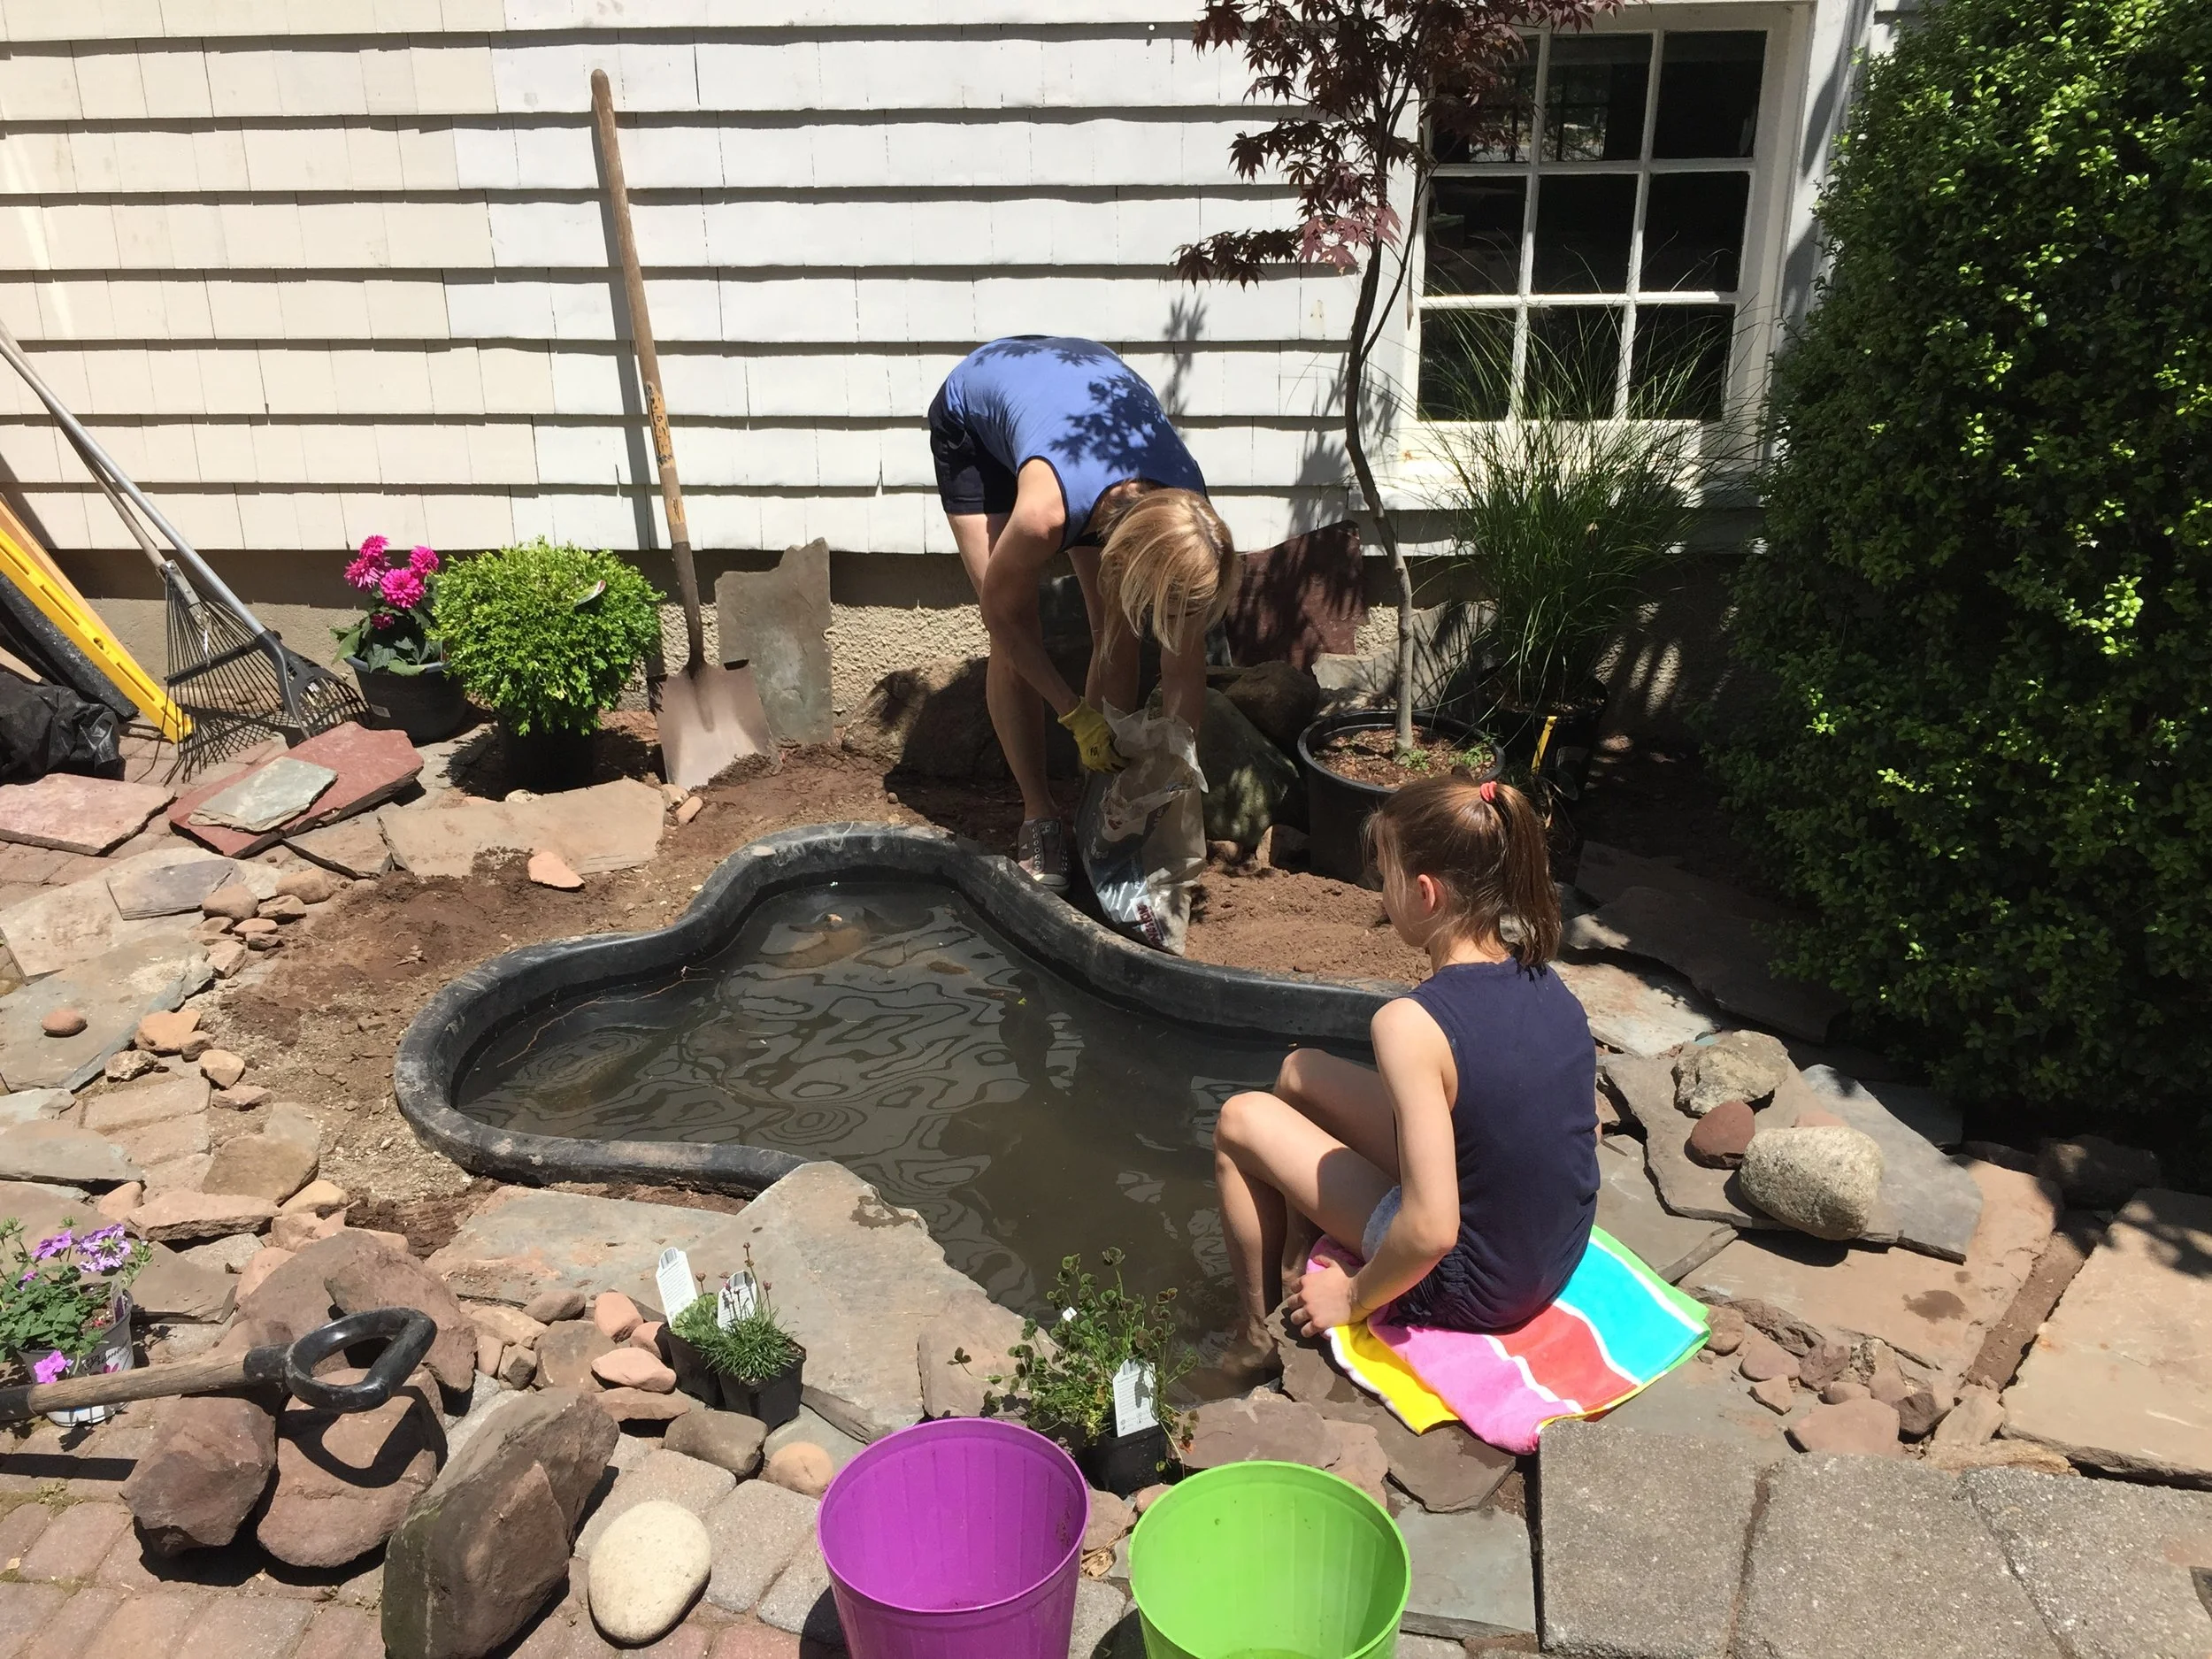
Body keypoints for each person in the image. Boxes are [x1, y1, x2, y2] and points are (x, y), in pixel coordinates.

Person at [1210, 772, 1598, 1372]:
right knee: (1299, 1072)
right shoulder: (1546, 982)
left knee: (1240, 1119)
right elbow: (1576, 1136)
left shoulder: (1411, 1024)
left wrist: (1354, 1296)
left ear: (1425, 893)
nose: (1379, 893)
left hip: (1472, 1284)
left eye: (1385, 876)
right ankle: (1294, 1264)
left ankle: (1255, 1339)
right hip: (1551, 1255)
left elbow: (1432, 1229)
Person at [929, 336, 1237, 890]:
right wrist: (1075, 714)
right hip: (975, 419)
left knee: (1112, 630)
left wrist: (1170, 779)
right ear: (1125, 553)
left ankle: (1096, 805)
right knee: (1015, 631)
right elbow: (1002, 619)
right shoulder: (1045, 514)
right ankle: (1039, 814)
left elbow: (1182, 668)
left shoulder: (1191, 522)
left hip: (1085, 396)